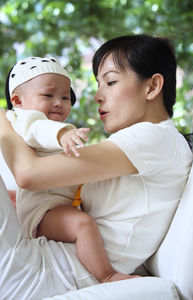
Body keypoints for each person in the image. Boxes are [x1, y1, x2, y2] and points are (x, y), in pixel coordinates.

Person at [0, 34, 192, 300]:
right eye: (98, 84)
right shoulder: (151, 143)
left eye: (110, 82)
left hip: (41, 272)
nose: (97, 96)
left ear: (152, 87)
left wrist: (4, 120)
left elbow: (28, 174)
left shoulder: (153, 138)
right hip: (43, 263)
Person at [4, 56, 134, 284]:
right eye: (48, 95)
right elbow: (37, 128)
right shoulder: (25, 119)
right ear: (17, 100)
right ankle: (107, 275)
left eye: (65, 97)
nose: (59, 102)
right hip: (42, 211)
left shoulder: (47, 126)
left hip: (53, 205)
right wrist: (63, 134)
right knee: (83, 225)